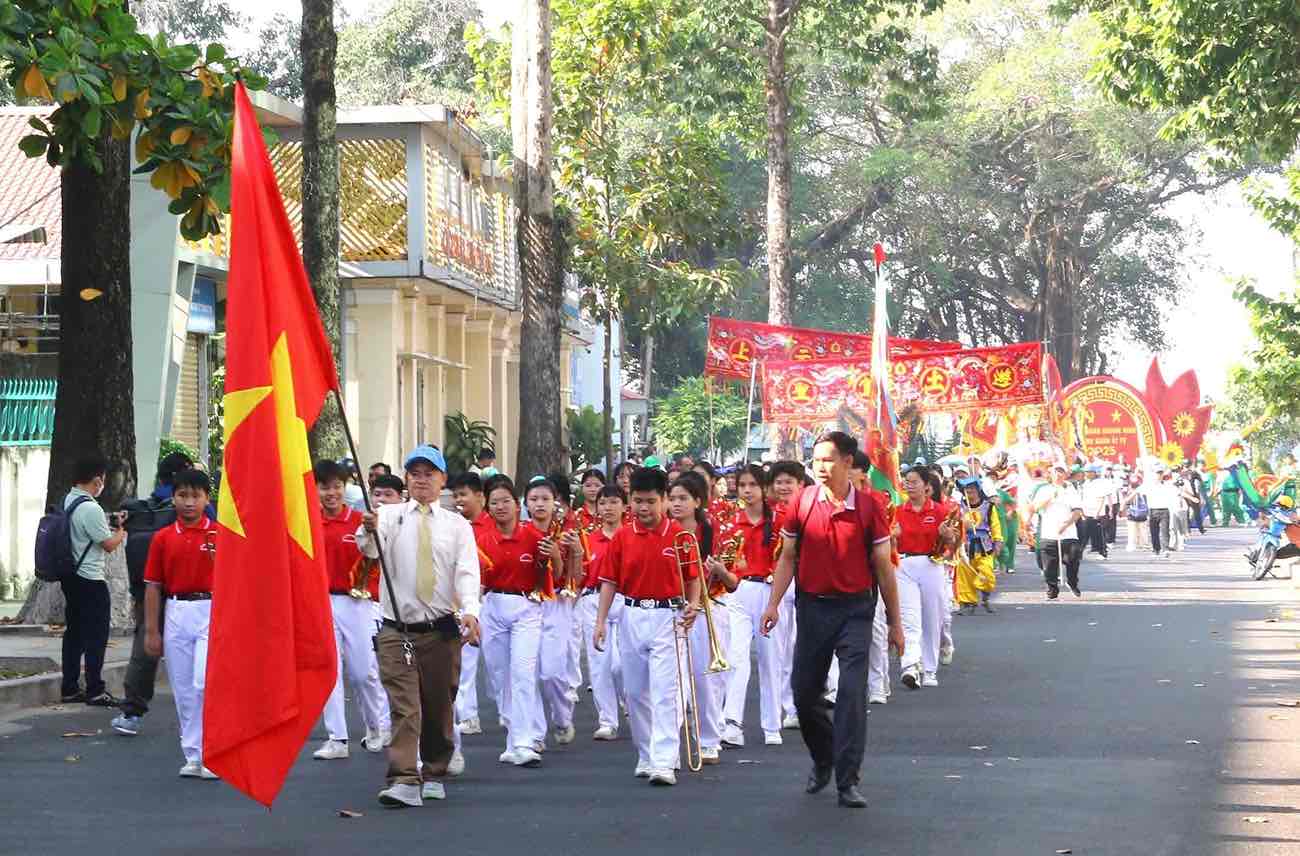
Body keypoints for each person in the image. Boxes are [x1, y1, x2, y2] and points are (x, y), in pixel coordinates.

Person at [758, 432, 902, 809]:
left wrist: (896, 623)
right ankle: (824, 758)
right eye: (816, 460)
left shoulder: (870, 509)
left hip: (856, 610)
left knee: (852, 695)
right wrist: (773, 604)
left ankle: (847, 781)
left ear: (848, 463)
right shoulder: (802, 503)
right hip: (813, 608)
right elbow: (787, 556)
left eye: (828, 460)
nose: (820, 467)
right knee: (804, 694)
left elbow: (884, 569)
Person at [357, 445, 482, 808]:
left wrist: (471, 611)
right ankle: (404, 778)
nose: (422, 480)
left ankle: (434, 769)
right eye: (415, 474)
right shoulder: (389, 515)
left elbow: (467, 572)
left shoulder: (456, 525)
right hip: (397, 629)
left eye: (429, 474)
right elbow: (368, 549)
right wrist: (367, 530)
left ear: (442, 479)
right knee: (405, 706)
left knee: (438, 707)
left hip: (441, 629)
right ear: (407, 479)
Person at [592, 466, 700, 786]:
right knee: (635, 691)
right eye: (638, 501)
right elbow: (609, 582)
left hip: (669, 616)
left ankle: (664, 760)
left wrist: (692, 605)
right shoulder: (623, 537)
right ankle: (646, 753)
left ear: (664, 500)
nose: (644, 508)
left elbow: (693, 579)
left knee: (665, 691)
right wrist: (600, 621)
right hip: (632, 614)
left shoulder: (681, 536)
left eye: (651, 501)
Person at [113, 451, 205, 735]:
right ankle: (202, 718)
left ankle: (131, 712)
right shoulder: (197, 508)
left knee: (145, 646)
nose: (189, 501)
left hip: (147, 591)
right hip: (191, 595)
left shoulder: (142, 508)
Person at [312, 460, 393, 761]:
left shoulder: (361, 520)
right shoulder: (309, 523)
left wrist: (372, 530)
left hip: (358, 603)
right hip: (322, 603)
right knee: (329, 672)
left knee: (363, 673)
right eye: (324, 487)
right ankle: (337, 738)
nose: (331, 493)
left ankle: (376, 726)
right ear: (316, 489)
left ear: (345, 487)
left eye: (336, 486)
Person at [141, 468, 217, 778]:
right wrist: (151, 630)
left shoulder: (220, 535)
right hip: (176, 612)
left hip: (210, 611)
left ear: (206, 499)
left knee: (203, 683)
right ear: (173, 498)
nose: (189, 502)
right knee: (184, 689)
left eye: (195, 496)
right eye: (182, 495)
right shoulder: (162, 538)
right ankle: (193, 754)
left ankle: (213, 752)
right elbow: (153, 586)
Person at [669, 471, 736, 764]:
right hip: (671, 609)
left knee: (705, 679)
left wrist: (717, 569)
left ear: (698, 501)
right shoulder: (663, 532)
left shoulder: (715, 532)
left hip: (709, 608)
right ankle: (667, 743)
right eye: (671, 499)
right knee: (671, 681)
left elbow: (733, 581)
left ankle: (709, 740)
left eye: (683, 498)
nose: (676, 504)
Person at [722, 464, 787, 745]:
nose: (746, 490)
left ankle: (772, 725)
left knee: (770, 660)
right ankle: (732, 723)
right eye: (742, 485)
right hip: (738, 592)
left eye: (752, 485)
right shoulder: (730, 523)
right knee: (736, 658)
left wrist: (775, 600)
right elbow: (727, 564)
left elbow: (787, 560)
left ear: (763, 489)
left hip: (771, 592)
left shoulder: (781, 521)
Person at [60, 453, 127, 706]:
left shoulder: (68, 500)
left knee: (74, 633)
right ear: (98, 480)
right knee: (96, 636)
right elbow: (108, 544)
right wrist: (121, 531)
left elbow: (87, 533)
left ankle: (69, 687)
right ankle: (95, 689)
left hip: (71, 577)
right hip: (91, 579)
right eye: (103, 480)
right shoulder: (91, 507)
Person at [523, 476, 583, 747]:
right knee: (528, 673)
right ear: (525, 503)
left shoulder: (567, 533)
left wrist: (562, 554)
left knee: (552, 673)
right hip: (527, 605)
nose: (539, 504)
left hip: (557, 604)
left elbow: (574, 576)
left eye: (545, 499)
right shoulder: (521, 532)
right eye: (534, 499)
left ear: (555, 502)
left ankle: (561, 716)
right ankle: (535, 734)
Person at [894, 466, 958, 688]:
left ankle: (930, 670)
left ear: (926, 486)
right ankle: (910, 665)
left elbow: (953, 544)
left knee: (932, 618)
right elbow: (888, 545)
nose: (909, 485)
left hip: (931, 565)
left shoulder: (940, 512)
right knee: (909, 619)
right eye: (906, 481)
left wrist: (948, 536)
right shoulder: (897, 511)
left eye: (914, 481)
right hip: (903, 566)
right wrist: (893, 537)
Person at [575, 484, 628, 740]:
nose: (608, 508)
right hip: (593, 600)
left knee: (622, 664)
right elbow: (580, 575)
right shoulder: (588, 538)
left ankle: (628, 698)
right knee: (599, 664)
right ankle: (607, 719)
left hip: (625, 600)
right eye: (603, 503)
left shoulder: (630, 536)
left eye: (614, 502)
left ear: (624, 506)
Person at [449, 472, 493, 740]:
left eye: (463, 494)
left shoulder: (493, 525)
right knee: (464, 659)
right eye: (455, 495)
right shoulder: (454, 526)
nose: (458, 500)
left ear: (480, 496)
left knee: (499, 668)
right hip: (466, 600)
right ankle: (468, 715)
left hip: (493, 599)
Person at [768, 459, 807, 729]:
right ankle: (786, 706)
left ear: (800, 485)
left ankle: (797, 706)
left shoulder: (808, 510)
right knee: (779, 648)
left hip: (806, 581)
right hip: (777, 582)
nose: (783, 487)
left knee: (799, 646)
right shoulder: (766, 512)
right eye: (778, 482)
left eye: (788, 482)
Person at [1032, 463, 1084, 598]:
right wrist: (1050, 497)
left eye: (1061, 471)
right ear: (1050, 474)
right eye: (1055, 472)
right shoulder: (1043, 489)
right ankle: (1052, 588)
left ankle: (1072, 582)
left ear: (1065, 474)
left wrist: (1066, 524)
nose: (1058, 474)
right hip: (1049, 532)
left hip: (1068, 532)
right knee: (1049, 565)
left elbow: (1077, 510)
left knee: (1073, 558)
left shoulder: (1070, 489)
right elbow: (1036, 507)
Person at [955, 478, 1001, 615]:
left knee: (987, 573)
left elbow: (995, 526)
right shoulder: (958, 507)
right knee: (965, 574)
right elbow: (953, 524)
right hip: (965, 545)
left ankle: (984, 596)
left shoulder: (988, 507)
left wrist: (998, 542)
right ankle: (968, 603)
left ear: (978, 490)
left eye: (972, 489)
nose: (969, 492)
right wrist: (962, 525)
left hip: (984, 546)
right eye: (966, 490)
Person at [1079, 464, 1112, 559]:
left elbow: (1101, 498)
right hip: (1086, 512)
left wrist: (1097, 512)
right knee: (1085, 533)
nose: (1087, 474)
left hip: (1095, 513)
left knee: (1097, 534)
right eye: (1086, 472)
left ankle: (1103, 553)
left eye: (1089, 472)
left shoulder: (1099, 483)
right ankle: (1081, 552)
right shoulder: (1085, 483)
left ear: (1094, 473)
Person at [1145, 468, 1177, 558]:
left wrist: (1192, 498)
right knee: (1154, 532)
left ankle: (1166, 549)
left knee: (1165, 531)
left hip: (1164, 510)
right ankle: (1156, 549)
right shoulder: (1149, 485)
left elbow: (1179, 491)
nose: (1159, 475)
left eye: (1160, 473)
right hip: (1153, 510)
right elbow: (1136, 491)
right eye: (1157, 473)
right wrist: (1126, 501)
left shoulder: (1167, 484)